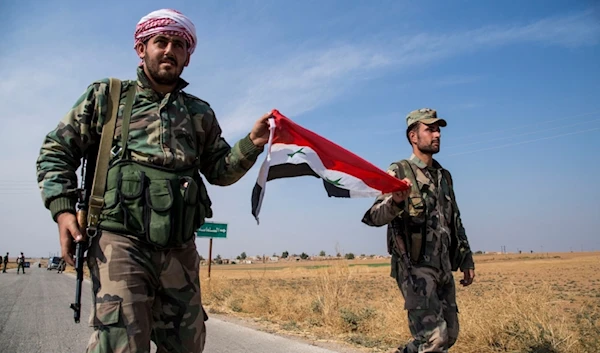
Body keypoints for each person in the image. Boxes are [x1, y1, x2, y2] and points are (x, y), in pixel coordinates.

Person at [36, 9, 270, 353]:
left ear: (188, 57)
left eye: (179, 44)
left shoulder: (198, 113)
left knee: (186, 344)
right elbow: (57, 150)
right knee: (121, 343)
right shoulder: (107, 97)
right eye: (161, 41)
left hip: (179, 249)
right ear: (141, 48)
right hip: (120, 242)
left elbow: (220, 171)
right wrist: (63, 211)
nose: (169, 50)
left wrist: (253, 142)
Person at [361, 108, 475, 353]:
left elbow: (455, 220)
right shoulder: (400, 171)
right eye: (430, 129)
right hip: (415, 268)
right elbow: (373, 216)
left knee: (450, 334)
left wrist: (466, 259)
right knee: (435, 340)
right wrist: (396, 202)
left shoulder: (444, 176)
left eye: (438, 130)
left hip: (443, 267)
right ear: (413, 136)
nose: (437, 135)